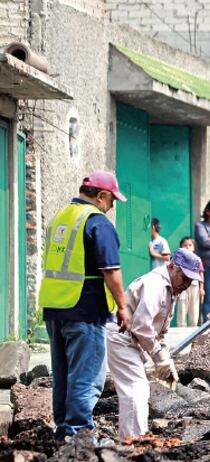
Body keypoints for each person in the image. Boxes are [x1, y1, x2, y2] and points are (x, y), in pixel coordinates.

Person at [39, 171, 129, 440]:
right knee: (87, 376)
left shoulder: (59, 217)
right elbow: (110, 269)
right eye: (112, 200)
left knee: (63, 376)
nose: (112, 206)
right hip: (85, 308)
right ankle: (79, 433)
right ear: (101, 196)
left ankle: (63, 432)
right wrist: (122, 306)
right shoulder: (96, 222)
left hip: (55, 308)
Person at [105, 249, 203, 440]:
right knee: (136, 388)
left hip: (131, 339)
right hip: (121, 336)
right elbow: (141, 326)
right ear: (172, 266)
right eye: (184, 278)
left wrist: (166, 359)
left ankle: (134, 437)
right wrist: (158, 357)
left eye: (190, 281)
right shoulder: (155, 285)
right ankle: (132, 441)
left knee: (138, 389)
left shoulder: (170, 289)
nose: (186, 284)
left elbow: (161, 332)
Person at [174, 237, 203, 327]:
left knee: (194, 308)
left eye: (190, 245)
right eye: (185, 245)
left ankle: (192, 330)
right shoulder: (178, 260)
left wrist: (201, 288)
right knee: (182, 308)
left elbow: (201, 273)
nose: (187, 247)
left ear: (193, 248)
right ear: (181, 247)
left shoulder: (197, 259)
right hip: (182, 287)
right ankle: (181, 329)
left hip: (194, 286)